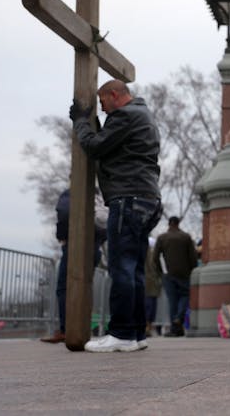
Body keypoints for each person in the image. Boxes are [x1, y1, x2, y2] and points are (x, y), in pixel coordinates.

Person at [70, 79, 162, 352]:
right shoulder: (142, 115)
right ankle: (135, 334)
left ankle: (121, 333)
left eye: (102, 102)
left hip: (128, 198)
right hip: (147, 198)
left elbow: (96, 146)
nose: (103, 108)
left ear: (114, 95)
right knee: (133, 269)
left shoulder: (125, 115)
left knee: (121, 267)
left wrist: (80, 122)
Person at [40, 188, 106, 344]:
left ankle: (66, 329)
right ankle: (84, 328)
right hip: (94, 247)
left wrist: (62, 236)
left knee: (64, 288)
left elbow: (63, 213)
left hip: (75, 245)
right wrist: (98, 240)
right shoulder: (98, 196)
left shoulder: (72, 193)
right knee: (86, 287)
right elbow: (105, 222)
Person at [153, 216, 198, 337]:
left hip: (168, 273)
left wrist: (160, 271)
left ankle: (174, 328)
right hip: (184, 274)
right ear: (178, 224)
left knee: (172, 300)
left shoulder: (162, 238)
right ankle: (179, 320)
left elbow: (155, 257)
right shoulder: (186, 237)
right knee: (185, 296)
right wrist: (192, 269)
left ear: (169, 224)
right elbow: (193, 257)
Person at [144, 236, 162, 337]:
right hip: (152, 283)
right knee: (150, 305)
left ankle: (146, 326)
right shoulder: (154, 254)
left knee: (147, 305)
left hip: (146, 282)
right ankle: (148, 326)